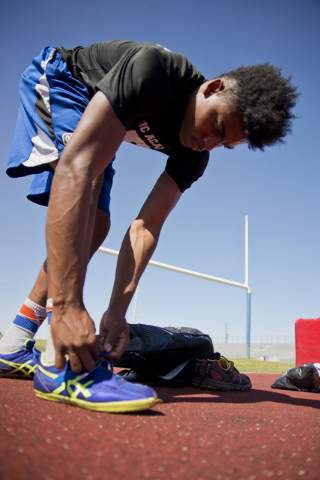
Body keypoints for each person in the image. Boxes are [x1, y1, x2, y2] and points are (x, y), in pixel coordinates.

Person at [0, 41, 299, 411]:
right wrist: (67, 308)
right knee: (87, 195)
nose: (209, 144)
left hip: (101, 118)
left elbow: (147, 226)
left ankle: (13, 343)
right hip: (65, 81)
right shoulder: (154, 72)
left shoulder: (194, 156)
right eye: (217, 126)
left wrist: (117, 310)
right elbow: (76, 168)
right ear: (213, 87)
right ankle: (60, 362)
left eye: (225, 143)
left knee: (97, 226)